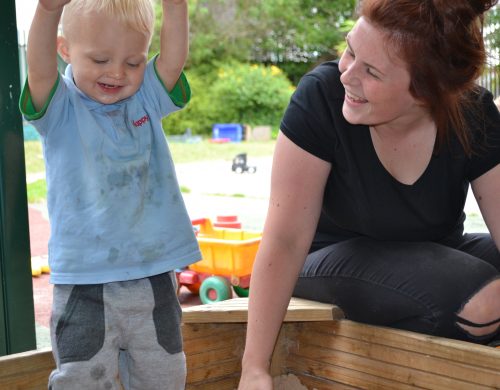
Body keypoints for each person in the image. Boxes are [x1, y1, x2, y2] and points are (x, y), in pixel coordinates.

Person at [238, 0, 500, 388]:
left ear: (427, 93)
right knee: (482, 299)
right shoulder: (321, 97)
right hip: (327, 261)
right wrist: (254, 368)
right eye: (350, 50)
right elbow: (285, 240)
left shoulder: (472, 111)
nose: (347, 73)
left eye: (371, 71)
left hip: (433, 259)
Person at [20, 0, 200, 389]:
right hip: (84, 279)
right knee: (80, 376)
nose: (117, 73)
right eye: (100, 59)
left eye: (133, 63)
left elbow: (171, 60)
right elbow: (38, 68)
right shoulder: (60, 107)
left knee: (165, 372)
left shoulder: (145, 98)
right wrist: (48, 11)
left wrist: (176, 8)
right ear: (65, 49)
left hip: (153, 271)